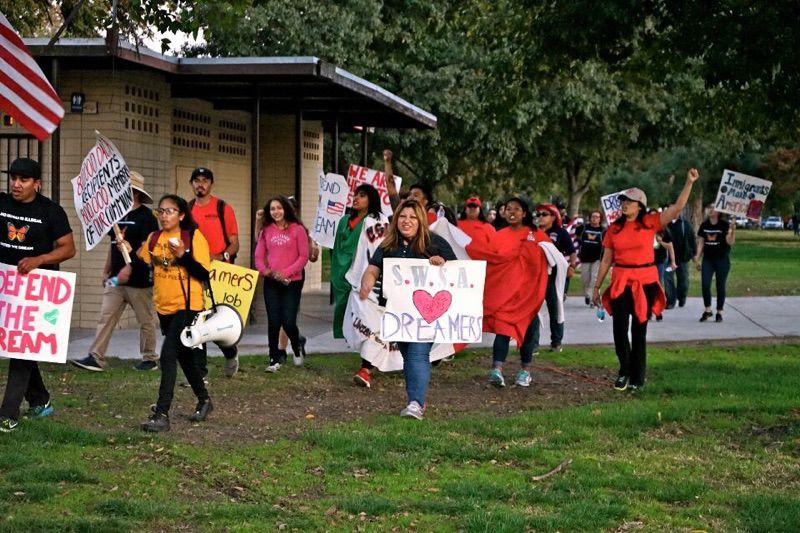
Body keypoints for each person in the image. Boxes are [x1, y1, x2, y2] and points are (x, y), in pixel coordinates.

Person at [593, 169, 700, 392]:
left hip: (645, 282)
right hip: (621, 281)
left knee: (639, 331)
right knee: (619, 330)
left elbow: (677, 208)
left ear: (639, 205)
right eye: (622, 201)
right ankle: (624, 370)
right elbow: (606, 261)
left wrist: (688, 182)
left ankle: (637, 378)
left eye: (629, 201)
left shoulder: (651, 222)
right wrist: (596, 287)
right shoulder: (614, 228)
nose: (624, 204)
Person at [358, 199, 456, 419]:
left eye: (412, 217)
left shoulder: (435, 243)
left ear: (420, 220)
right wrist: (367, 281)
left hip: (427, 313)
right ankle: (416, 400)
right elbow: (373, 269)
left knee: (418, 354)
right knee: (408, 355)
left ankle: (415, 404)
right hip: (398, 312)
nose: (407, 221)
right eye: (403, 216)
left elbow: (457, 273)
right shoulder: (387, 245)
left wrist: (442, 264)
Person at [123, 194, 213, 431]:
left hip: (188, 306)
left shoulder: (192, 237)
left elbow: (204, 274)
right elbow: (140, 264)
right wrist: (128, 250)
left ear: (182, 215)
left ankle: (161, 414)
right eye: (160, 211)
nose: (164, 216)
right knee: (183, 357)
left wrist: (183, 255)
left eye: (170, 211)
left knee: (167, 356)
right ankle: (204, 400)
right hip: (164, 307)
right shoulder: (154, 238)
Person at [0, 158, 76, 433]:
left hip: (32, 292)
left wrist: (39, 259)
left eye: (23, 180)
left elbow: (68, 248)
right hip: (4, 287)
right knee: (20, 346)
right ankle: (40, 400)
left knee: (20, 349)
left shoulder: (51, 212)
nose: (16, 185)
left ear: (37, 183)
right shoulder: (2, 203)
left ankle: (8, 414)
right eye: (13, 178)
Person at [72, 171, 159, 372]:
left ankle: (150, 358)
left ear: (136, 192)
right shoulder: (115, 215)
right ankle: (96, 357)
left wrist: (132, 253)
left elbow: (149, 247)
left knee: (145, 320)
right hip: (115, 280)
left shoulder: (147, 217)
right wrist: (106, 271)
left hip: (139, 280)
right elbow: (113, 245)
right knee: (105, 316)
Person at [466, 197, 550, 388]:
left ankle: (525, 371)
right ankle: (497, 370)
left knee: (529, 331)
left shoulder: (536, 235)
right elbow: (490, 260)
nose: (512, 212)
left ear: (525, 213)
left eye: (517, 209)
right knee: (503, 330)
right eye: (508, 209)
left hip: (528, 295)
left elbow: (550, 257)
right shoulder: (499, 235)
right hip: (506, 294)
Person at [188, 167, 241, 378]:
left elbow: (235, 244)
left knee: (216, 321)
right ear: (191, 184)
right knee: (197, 319)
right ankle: (200, 372)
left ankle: (230, 351)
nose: (200, 184)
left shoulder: (222, 208)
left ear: (211, 184)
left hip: (219, 273)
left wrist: (222, 256)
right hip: (193, 272)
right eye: (197, 180)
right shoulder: (187, 208)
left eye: (205, 181)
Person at [328, 183, 383, 385]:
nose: (356, 198)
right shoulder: (344, 221)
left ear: (371, 199)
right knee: (352, 318)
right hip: (345, 275)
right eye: (355, 195)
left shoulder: (377, 222)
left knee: (368, 320)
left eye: (362, 195)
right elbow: (337, 250)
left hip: (369, 278)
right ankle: (368, 362)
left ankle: (367, 365)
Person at [255, 195, 309, 372]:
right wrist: (266, 271)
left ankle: (296, 344)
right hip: (272, 282)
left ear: (285, 209)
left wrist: (285, 273)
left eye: (279, 208)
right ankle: (274, 359)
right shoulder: (266, 230)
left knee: (288, 322)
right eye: (272, 209)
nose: (276, 212)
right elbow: (258, 256)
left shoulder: (298, 229)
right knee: (273, 321)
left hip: (292, 282)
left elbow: (303, 257)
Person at [533, 203, 576, 351]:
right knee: (533, 309)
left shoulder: (560, 232)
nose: (540, 217)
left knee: (555, 308)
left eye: (544, 214)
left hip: (555, 276)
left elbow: (572, 252)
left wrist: (572, 266)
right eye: (538, 215)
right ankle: (533, 344)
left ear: (553, 216)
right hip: (537, 276)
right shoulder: (533, 233)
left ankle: (556, 342)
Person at [694, 206, 735, 322]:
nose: (710, 210)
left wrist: (733, 231)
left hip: (722, 260)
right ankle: (708, 310)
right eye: (709, 208)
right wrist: (697, 257)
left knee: (720, 285)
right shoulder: (704, 225)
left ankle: (719, 312)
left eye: (713, 208)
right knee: (705, 284)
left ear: (719, 212)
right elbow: (701, 242)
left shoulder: (724, 225)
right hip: (708, 259)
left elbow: (730, 241)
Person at [664, 212, 696, 308]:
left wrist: (693, 253)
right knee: (668, 279)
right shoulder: (665, 223)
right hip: (668, 257)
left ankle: (682, 297)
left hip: (682, 257)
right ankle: (670, 301)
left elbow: (691, 239)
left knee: (683, 280)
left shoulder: (684, 224)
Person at [577, 210, 605, 306]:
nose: (595, 218)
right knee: (585, 279)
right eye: (593, 216)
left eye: (597, 217)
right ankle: (587, 295)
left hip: (597, 257)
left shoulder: (603, 230)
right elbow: (576, 236)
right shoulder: (584, 228)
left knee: (594, 278)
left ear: (600, 219)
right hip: (585, 257)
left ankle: (593, 298)